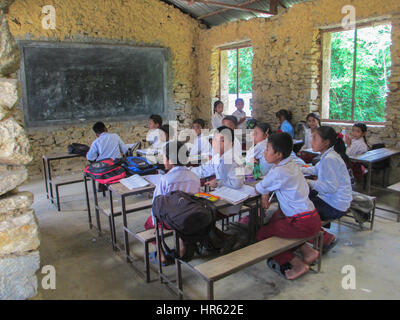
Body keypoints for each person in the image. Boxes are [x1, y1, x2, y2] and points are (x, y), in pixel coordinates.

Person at [255, 132, 321, 280]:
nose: (264, 152)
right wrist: (265, 193)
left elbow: (259, 187)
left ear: (278, 154)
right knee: (276, 222)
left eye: (267, 149)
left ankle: (297, 264)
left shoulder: (278, 172)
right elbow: (268, 186)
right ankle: (308, 252)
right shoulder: (291, 163)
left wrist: (263, 193)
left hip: (301, 223)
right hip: (312, 217)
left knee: (263, 234)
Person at [144, 141, 201, 265]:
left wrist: (155, 223)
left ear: (169, 160)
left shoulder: (165, 180)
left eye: (164, 156)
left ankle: (161, 254)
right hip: (190, 218)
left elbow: (156, 205)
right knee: (181, 213)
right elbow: (197, 198)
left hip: (171, 221)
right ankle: (182, 246)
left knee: (149, 223)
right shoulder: (195, 177)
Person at [302, 126, 353, 251]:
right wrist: (297, 168)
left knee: (298, 208)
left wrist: (308, 182)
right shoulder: (328, 155)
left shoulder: (330, 159)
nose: (311, 141)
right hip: (335, 200)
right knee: (304, 198)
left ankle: (324, 237)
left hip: (335, 205)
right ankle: (320, 234)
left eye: (315, 138)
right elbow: (314, 169)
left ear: (326, 142)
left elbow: (330, 188)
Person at [191, 126, 244, 190]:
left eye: (222, 140)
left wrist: (218, 182)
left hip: (235, 193)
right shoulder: (216, 157)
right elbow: (204, 170)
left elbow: (237, 183)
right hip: (222, 192)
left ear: (231, 144)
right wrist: (186, 170)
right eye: (215, 139)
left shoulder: (234, 160)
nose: (217, 143)